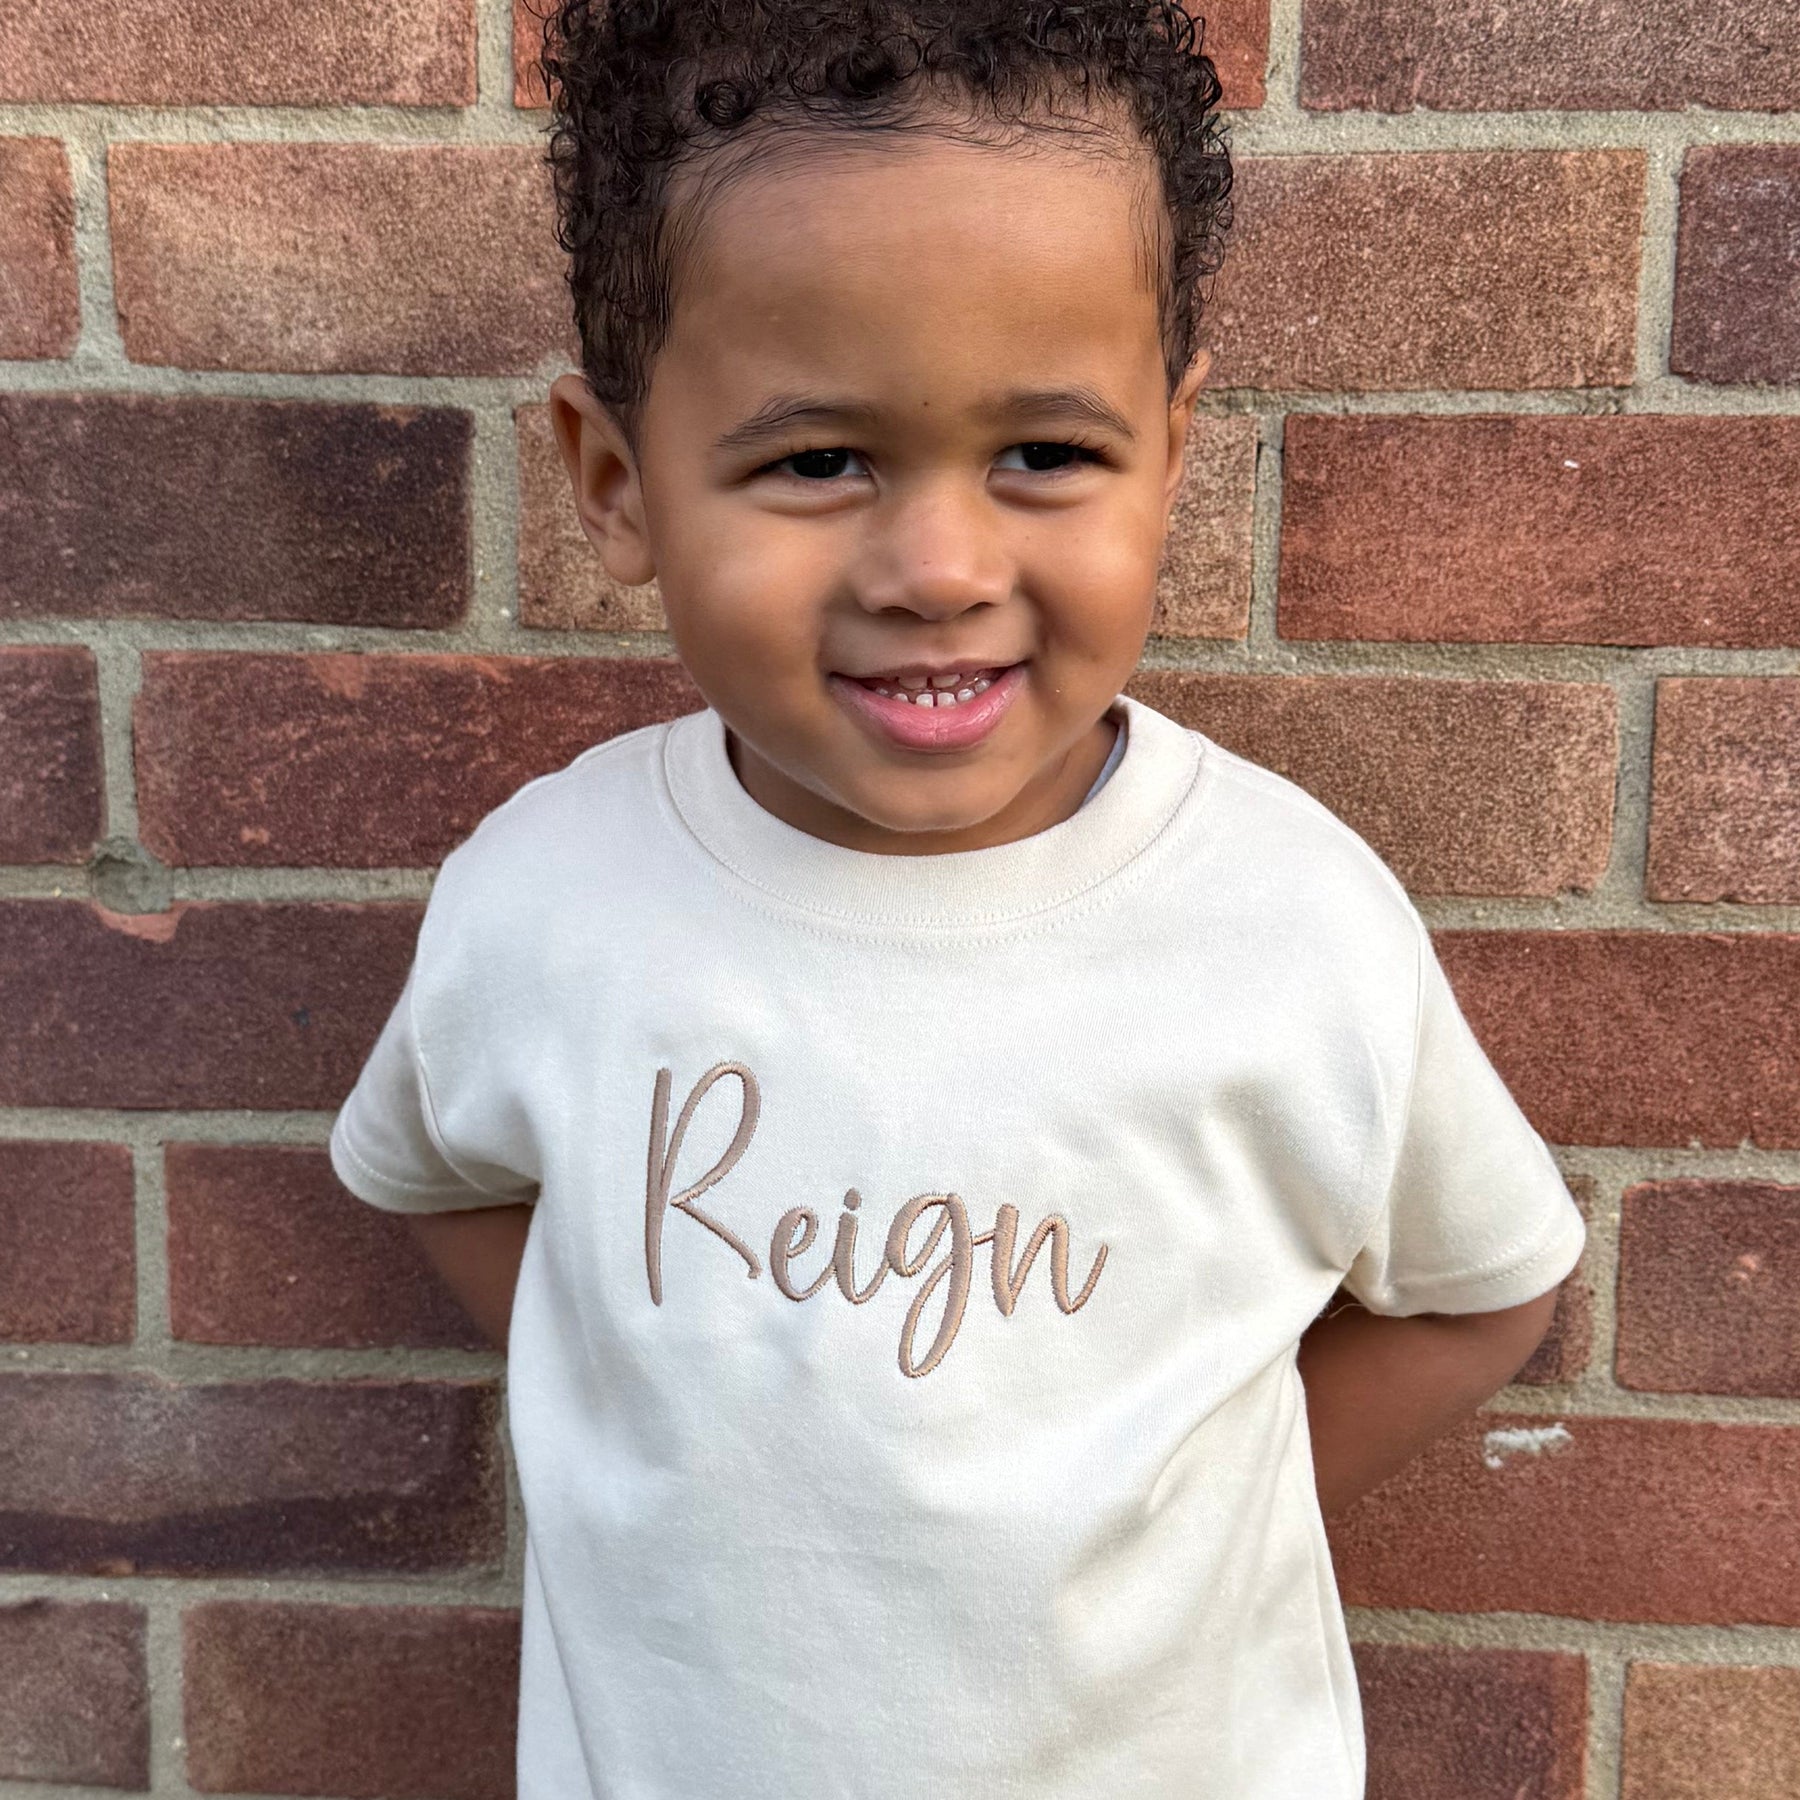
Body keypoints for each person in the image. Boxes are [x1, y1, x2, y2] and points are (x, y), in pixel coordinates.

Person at [328, 3, 1586, 1793]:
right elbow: (430, 1168)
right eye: (818, 460)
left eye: (1046, 455)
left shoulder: (1291, 924)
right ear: (617, 483)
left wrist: (1207, 1525)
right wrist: (629, 1396)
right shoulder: (545, 898)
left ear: (1170, 452)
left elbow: (1480, 1288)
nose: (938, 569)